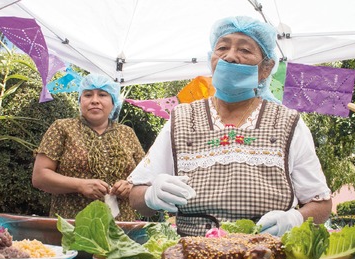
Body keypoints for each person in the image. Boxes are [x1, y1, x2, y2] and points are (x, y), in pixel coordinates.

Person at [128, 16, 332, 237]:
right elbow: (136, 197)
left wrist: (295, 218)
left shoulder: (288, 123)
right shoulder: (181, 119)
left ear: (266, 68)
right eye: (222, 47)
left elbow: (321, 204)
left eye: (245, 50)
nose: (230, 56)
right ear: (211, 60)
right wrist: (151, 196)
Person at [32, 74, 145, 221]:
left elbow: (145, 176)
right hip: (73, 226)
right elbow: (39, 176)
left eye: (103, 95)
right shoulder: (62, 128)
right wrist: (79, 185)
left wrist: (130, 186)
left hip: (122, 229)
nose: (95, 100)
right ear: (80, 101)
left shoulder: (127, 133)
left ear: (113, 102)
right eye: (88, 95)